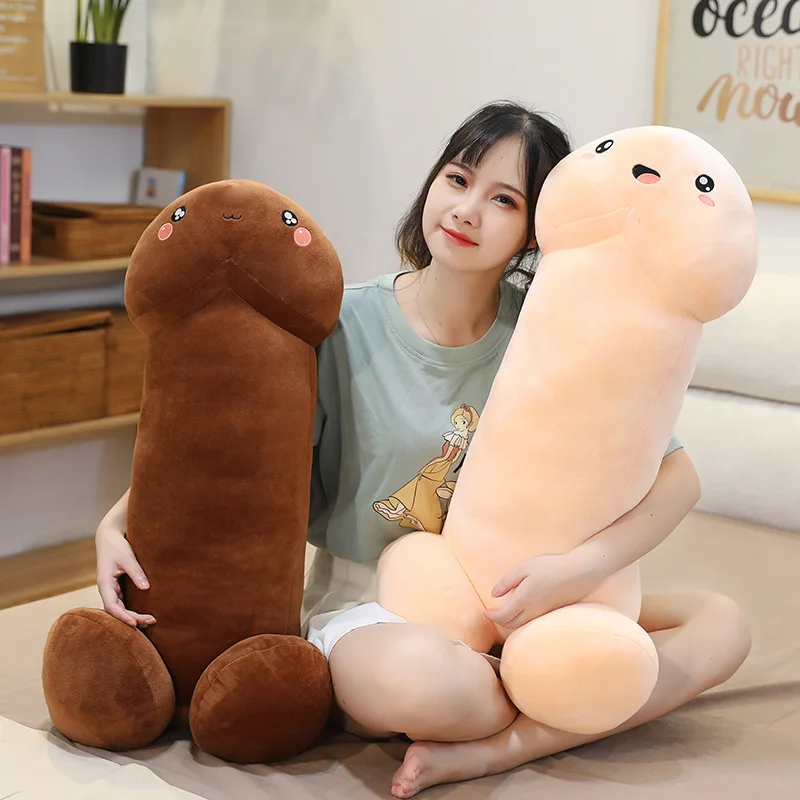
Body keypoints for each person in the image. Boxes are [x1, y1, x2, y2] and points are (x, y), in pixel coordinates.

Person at [94, 101, 751, 799]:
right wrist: (115, 522)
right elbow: (236, 450)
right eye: (458, 179)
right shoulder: (340, 321)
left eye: (504, 200)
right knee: (421, 681)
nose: (468, 210)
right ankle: (542, 704)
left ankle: (504, 744)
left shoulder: (552, 329)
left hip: (520, 598)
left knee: (724, 625)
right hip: (374, 607)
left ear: (535, 228)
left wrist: (573, 572)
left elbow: (678, 478)